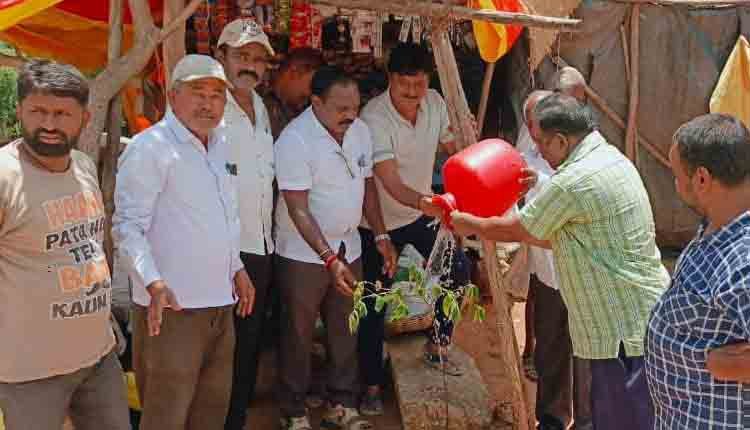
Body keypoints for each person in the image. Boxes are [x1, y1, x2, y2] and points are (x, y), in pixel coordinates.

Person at [451, 94, 670, 430]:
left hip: (618, 332)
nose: (538, 152)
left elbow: (521, 229)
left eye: (541, 144)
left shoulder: (575, 181)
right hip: (635, 320)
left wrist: (470, 224)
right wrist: (536, 183)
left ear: (562, 140)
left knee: (620, 419)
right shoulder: (611, 159)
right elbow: (556, 235)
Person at [113, 54, 255, 430]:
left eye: (217, 95)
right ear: (174, 96)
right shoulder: (150, 148)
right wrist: (154, 283)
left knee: (210, 412)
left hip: (219, 306)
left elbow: (223, 215)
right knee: (166, 417)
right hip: (171, 311)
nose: (208, 103)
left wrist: (237, 267)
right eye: (198, 93)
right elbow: (127, 227)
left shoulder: (220, 142)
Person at [0, 60, 130, 430]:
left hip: (97, 358)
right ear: (19, 111)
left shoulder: (84, 166)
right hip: (30, 373)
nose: (50, 124)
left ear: (85, 118)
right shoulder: (5, 177)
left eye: (62, 113)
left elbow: (90, 245)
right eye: (38, 111)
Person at [274, 66, 397, 430]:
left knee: (346, 327)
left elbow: (368, 187)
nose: (350, 114)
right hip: (303, 254)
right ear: (316, 103)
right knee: (297, 332)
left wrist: (380, 235)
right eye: (341, 108)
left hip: (351, 246)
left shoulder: (359, 133)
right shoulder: (294, 141)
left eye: (355, 106)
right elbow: (297, 206)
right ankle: (293, 410)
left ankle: (340, 403)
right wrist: (328, 258)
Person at [356, 42, 473, 416]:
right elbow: (388, 182)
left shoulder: (436, 103)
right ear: (390, 79)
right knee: (374, 303)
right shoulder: (374, 117)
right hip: (378, 223)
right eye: (404, 84)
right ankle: (371, 384)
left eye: (419, 84)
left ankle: (438, 347)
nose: (411, 92)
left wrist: (471, 161)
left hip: (422, 214)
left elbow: (454, 149)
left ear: (428, 81)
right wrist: (430, 203)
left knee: (457, 273)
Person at [646, 114, 750, 429]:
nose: (676, 185)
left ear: (702, 179)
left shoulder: (744, 261)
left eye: (677, 176)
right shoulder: (716, 227)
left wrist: (721, 364)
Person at [214, 19, 277, 430]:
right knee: (221, 349)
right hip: (224, 252)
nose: (250, 66)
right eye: (241, 56)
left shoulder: (260, 108)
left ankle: (234, 421)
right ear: (221, 57)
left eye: (257, 59)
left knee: (248, 347)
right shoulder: (210, 109)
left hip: (261, 248)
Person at [514, 90, 574, 430]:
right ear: (530, 125)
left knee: (586, 352)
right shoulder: (525, 158)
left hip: (582, 272)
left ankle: (588, 420)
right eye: (539, 120)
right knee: (550, 346)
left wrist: (541, 182)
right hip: (548, 271)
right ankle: (551, 418)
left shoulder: (580, 153)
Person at [263, 47, 323, 140]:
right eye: (311, 86)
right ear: (294, 72)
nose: (310, 94)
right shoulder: (254, 99)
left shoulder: (301, 110)